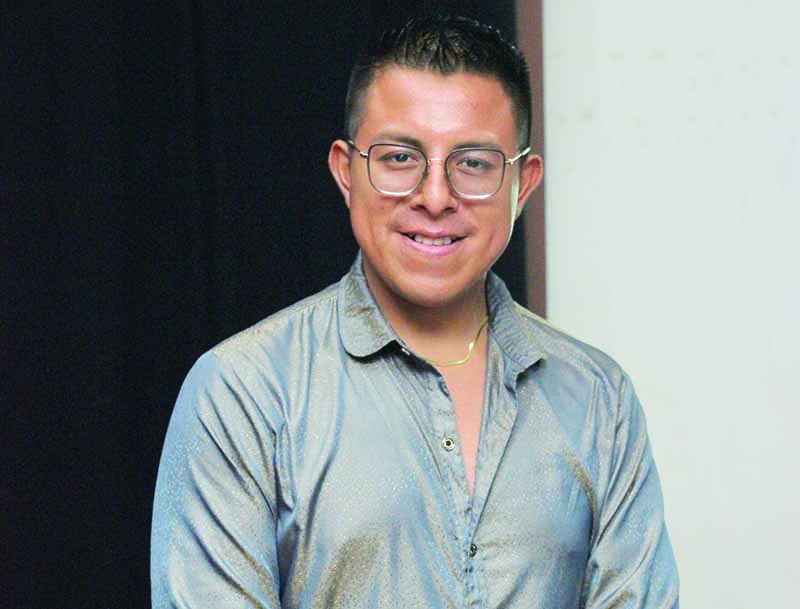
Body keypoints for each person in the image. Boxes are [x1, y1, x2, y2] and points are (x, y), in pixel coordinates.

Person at [151, 15, 679, 609]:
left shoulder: (599, 399)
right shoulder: (244, 392)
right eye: (400, 157)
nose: (434, 197)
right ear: (346, 172)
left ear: (523, 184)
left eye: (473, 163)